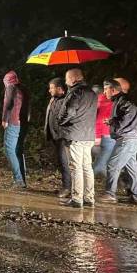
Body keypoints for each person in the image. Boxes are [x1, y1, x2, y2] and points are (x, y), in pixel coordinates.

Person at [99, 79, 137, 206]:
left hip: (127, 138)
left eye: (105, 89)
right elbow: (125, 116)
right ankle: (136, 197)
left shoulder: (124, 101)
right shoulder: (120, 101)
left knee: (113, 164)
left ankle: (110, 194)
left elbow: (129, 114)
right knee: (131, 168)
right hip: (132, 138)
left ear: (113, 90)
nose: (104, 92)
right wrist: (113, 121)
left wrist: (116, 124)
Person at [57, 68, 97, 208]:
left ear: (74, 79)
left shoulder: (75, 93)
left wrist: (60, 120)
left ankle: (77, 198)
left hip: (75, 135)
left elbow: (69, 111)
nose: (66, 81)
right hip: (89, 135)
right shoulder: (92, 93)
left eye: (67, 78)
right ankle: (89, 197)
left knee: (76, 168)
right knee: (87, 167)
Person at [1, 70, 30, 188]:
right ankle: (21, 180)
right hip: (22, 123)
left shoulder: (11, 88)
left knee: (9, 149)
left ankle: (18, 180)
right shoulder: (24, 89)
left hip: (13, 122)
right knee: (17, 151)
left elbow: (8, 104)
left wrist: (4, 119)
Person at [44, 77, 71, 197]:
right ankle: (66, 186)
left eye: (51, 88)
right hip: (55, 136)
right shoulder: (53, 99)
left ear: (59, 88)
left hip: (63, 137)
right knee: (61, 162)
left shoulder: (66, 101)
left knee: (65, 162)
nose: (49, 90)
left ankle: (67, 188)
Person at [92, 81, 116, 180]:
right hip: (106, 136)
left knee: (100, 164)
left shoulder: (102, 100)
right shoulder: (107, 100)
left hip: (106, 136)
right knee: (102, 162)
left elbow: (100, 121)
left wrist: (97, 136)